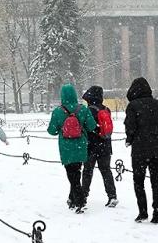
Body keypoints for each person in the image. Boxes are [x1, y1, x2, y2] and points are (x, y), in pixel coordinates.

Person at [124, 77, 158, 224]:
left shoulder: (133, 106)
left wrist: (130, 139)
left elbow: (130, 127)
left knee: (139, 180)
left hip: (140, 150)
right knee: (157, 180)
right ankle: (157, 211)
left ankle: (143, 211)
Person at [47, 83, 96, 214]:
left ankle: (80, 200)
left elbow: (51, 130)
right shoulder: (83, 109)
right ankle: (72, 198)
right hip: (81, 146)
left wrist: (62, 128)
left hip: (66, 148)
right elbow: (92, 126)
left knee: (72, 174)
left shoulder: (58, 111)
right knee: (76, 172)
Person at [81, 86, 118, 208]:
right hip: (105, 145)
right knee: (106, 171)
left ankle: (83, 196)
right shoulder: (106, 109)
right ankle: (112, 196)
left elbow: (87, 127)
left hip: (91, 146)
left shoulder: (89, 111)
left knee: (87, 172)